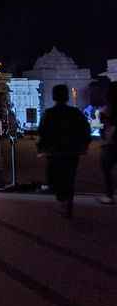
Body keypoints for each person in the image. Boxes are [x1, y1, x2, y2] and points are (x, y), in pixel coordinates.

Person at [37, 84, 92, 217]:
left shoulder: (49, 113)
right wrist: (83, 146)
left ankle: (62, 200)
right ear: (67, 96)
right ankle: (68, 201)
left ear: (54, 96)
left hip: (55, 152)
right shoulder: (75, 112)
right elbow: (86, 130)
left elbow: (42, 132)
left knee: (56, 178)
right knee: (69, 177)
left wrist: (41, 148)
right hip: (71, 151)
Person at [98, 82, 117, 204]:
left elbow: (104, 128)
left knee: (106, 169)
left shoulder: (106, 109)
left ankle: (109, 195)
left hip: (111, 144)